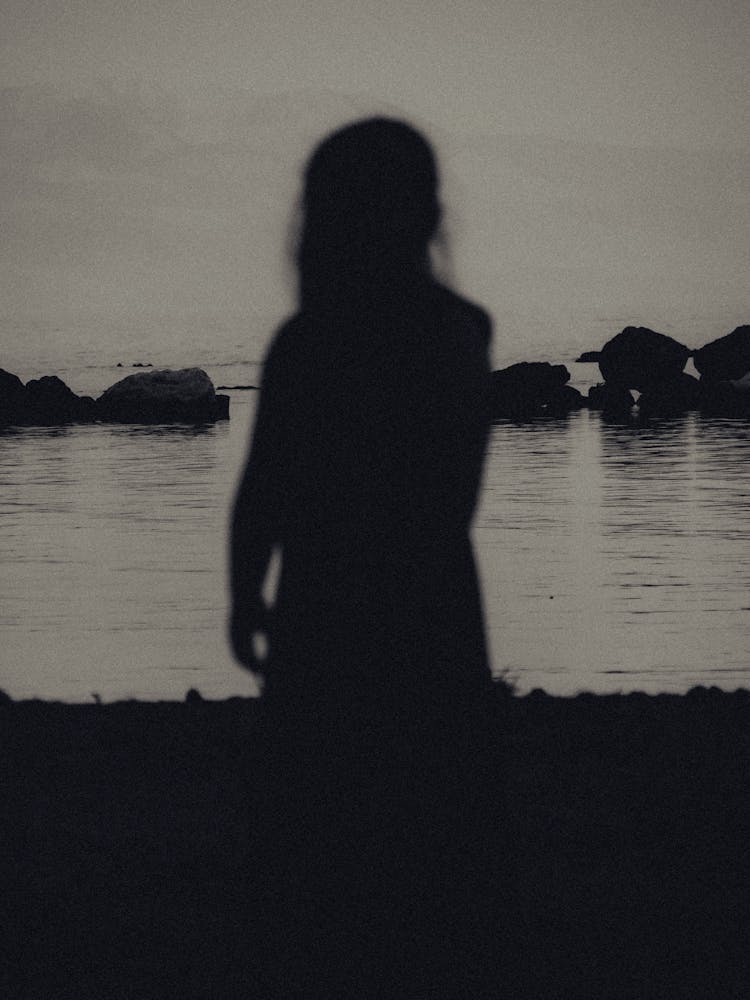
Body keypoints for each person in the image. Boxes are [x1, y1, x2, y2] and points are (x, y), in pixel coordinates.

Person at [228, 117, 502, 997]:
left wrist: (245, 594)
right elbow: (457, 491)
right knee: (434, 818)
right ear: (426, 215)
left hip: (324, 601)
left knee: (320, 824)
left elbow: (263, 487)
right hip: (435, 599)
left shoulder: (306, 341)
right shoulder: (462, 330)